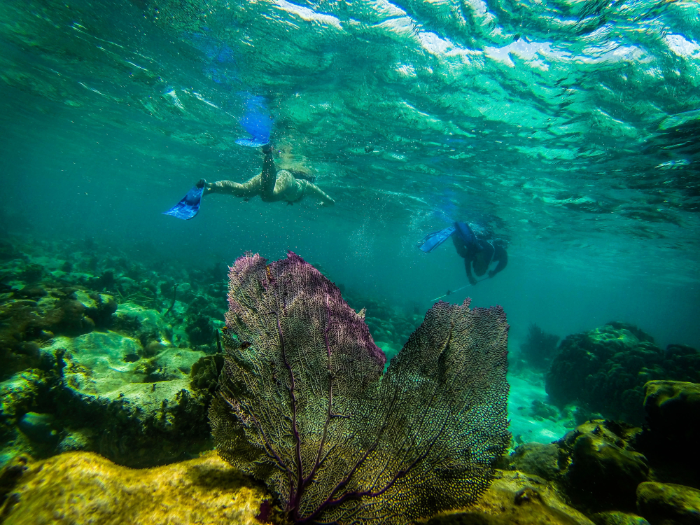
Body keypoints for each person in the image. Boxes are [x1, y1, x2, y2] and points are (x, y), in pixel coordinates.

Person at [197, 144, 335, 206]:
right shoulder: (305, 185)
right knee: (268, 196)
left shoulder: (303, 184)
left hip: (277, 177)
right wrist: (325, 203)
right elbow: (329, 200)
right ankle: (268, 153)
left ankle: (209, 187)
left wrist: (250, 195)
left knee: (243, 190)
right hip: (285, 179)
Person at [418, 221, 508, 285]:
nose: (479, 267)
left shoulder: (472, 256)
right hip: (486, 235)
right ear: (485, 267)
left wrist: (469, 276)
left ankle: (456, 234)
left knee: (463, 254)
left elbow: (467, 260)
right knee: (466, 252)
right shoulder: (493, 254)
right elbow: (504, 258)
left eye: (477, 269)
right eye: (481, 269)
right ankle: (459, 232)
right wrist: (495, 271)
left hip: (477, 239)